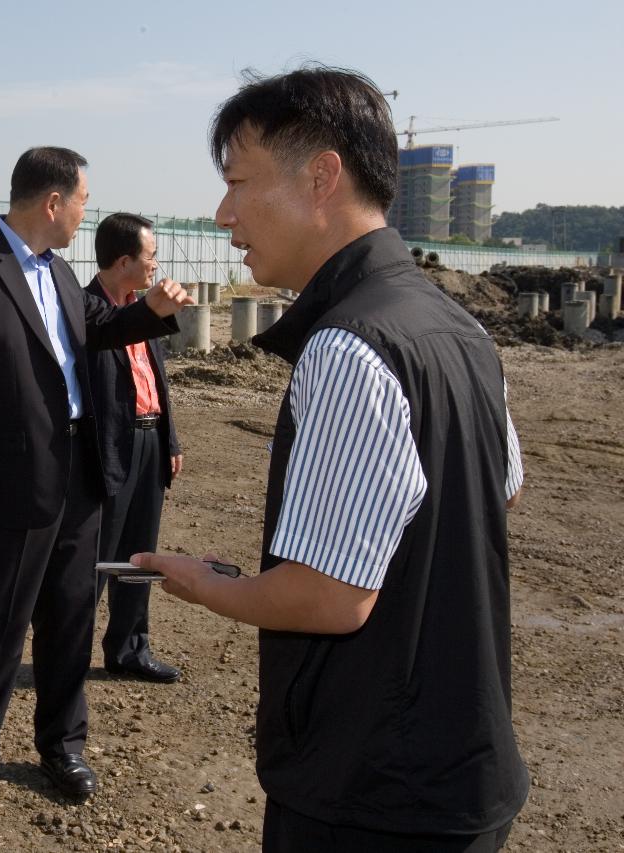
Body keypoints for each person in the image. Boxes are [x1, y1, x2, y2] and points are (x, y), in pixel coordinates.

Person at [134, 67, 528, 851]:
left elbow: (328, 598)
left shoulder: (350, 344)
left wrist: (209, 585)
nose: (224, 213)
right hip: (462, 765)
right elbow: (502, 488)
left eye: (239, 182)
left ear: (322, 178)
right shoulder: (462, 330)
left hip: (373, 791)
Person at [0, 146, 192, 815]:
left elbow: (97, 327)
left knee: (72, 614)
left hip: (79, 472)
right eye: (80, 201)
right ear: (52, 202)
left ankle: (61, 743)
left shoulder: (62, 274)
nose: (83, 214)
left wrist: (152, 307)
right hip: (12, 478)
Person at [86, 213, 183, 683]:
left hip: (149, 440)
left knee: (139, 554)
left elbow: (155, 380)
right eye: (150, 257)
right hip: (110, 445)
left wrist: (171, 440)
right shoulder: (87, 311)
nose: (155, 266)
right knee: (97, 557)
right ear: (123, 260)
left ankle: (129, 648)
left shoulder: (145, 308)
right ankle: (65, 649)